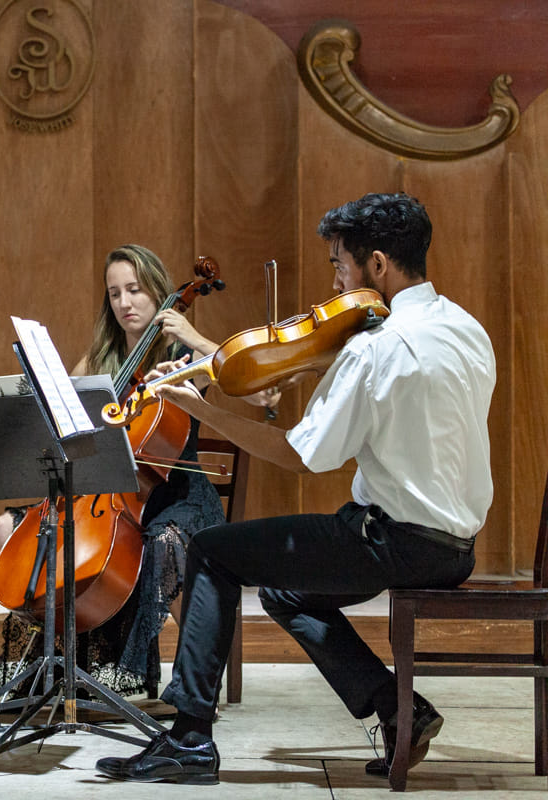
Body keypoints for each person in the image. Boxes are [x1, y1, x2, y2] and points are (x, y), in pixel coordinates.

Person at [94, 192, 495, 785]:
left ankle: (189, 739)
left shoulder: (376, 347)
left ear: (377, 266)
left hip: (392, 541)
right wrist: (320, 365)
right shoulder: (465, 327)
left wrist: (197, 404)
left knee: (213, 551)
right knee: (286, 592)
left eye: (339, 266)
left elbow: (300, 454)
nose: (333, 286)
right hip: (456, 549)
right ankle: (396, 708)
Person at [0, 244, 272, 701]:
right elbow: (64, 425)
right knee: (16, 526)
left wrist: (197, 337)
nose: (125, 303)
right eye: (115, 293)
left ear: (158, 293)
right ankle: (55, 668)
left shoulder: (183, 356)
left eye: (136, 291)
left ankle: (192, 687)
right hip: (102, 500)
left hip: (175, 498)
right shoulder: (101, 358)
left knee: (162, 544)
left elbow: (261, 391)